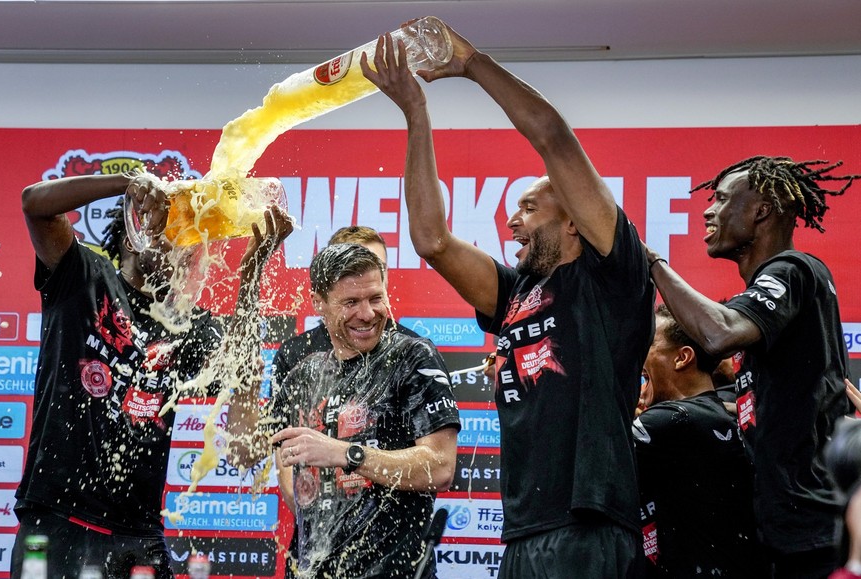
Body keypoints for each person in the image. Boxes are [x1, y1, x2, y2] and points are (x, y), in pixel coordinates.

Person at [361, 26, 655, 578]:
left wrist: (473, 64)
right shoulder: (516, 291)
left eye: (528, 207)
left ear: (573, 219)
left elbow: (553, 138)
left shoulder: (611, 278)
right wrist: (416, 116)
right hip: (523, 529)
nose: (511, 219)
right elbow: (431, 240)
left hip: (587, 525)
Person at [13, 172, 292, 579]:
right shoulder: (83, 277)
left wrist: (251, 271)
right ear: (134, 234)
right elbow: (33, 203)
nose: (186, 247)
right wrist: (128, 183)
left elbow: (245, 438)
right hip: (57, 526)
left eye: (192, 238)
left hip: (138, 539)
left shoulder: (189, 326)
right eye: (174, 230)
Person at [645, 156, 858, 578]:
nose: (708, 210)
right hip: (787, 531)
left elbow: (718, 334)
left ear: (761, 210)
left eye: (722, 199)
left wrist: (652, 263)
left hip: (811, 532)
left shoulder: (792, 269)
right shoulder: (779, 322)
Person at [227, 243, 461, 578]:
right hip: (310, 569)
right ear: (318, 303)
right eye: (350, 302)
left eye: (375, 298)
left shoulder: (412, 358)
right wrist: (245, 381)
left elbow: (440, 467)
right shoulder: (304, 376)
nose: (367, 314)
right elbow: (242, 452)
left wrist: (344, 453)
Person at [634, 304, 765, 577]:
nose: (638, 353)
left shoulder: (673, 420)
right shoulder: (716, 414)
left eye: (648, 343)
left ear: (682, 358)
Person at [269, 225, 418, 397]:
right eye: (354, 267)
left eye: (379, 267)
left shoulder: (413, 351)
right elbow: (278, 423)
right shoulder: (295, 354)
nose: (369, 275)